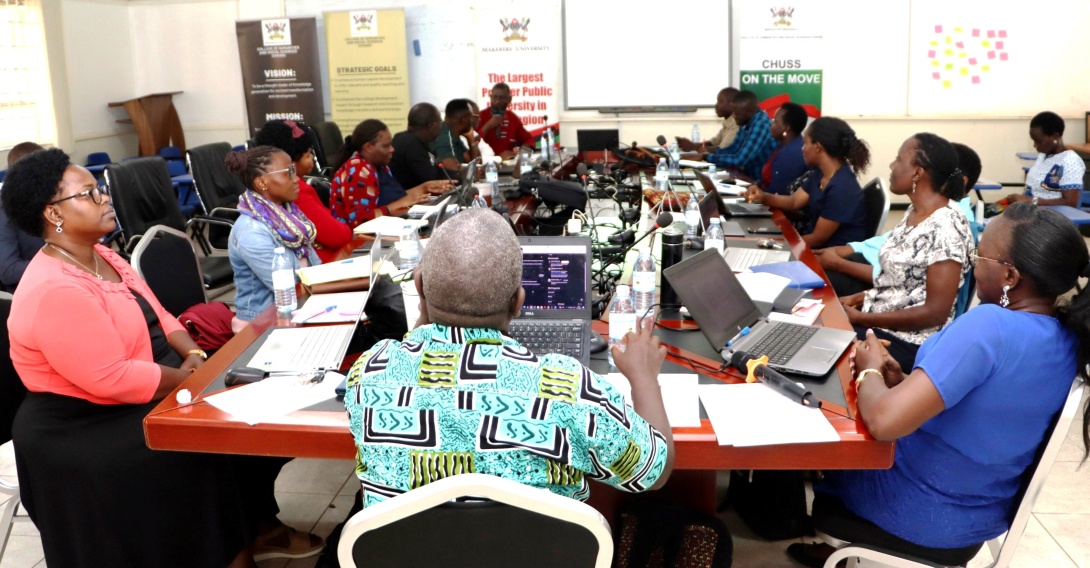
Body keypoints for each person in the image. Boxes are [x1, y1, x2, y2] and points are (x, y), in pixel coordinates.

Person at [1, 148, 320, 567]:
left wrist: (193, 352)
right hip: (82, 423)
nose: (105, 200)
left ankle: (254, 529)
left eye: (100, 191)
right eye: (90, 194)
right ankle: (229, 548)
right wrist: (193, 377)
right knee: (208, 446)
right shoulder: (55, 288)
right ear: (52, 214)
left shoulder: (102, 256)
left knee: (251, 417)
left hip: (145, 382)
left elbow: (161, 311)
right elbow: (111, 377)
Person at [787, 202, 1090, 568]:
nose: (972, 264)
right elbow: (987, 408)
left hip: (917, 511)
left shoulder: (988, 326)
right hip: (975, 515)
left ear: (1010, 277)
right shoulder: (1067, 337)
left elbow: (883, 424)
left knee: (809, 422)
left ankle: (779, 519)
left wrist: (868, 369)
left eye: (979, 256)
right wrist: (903, 384)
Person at [344, 208, 674, 508]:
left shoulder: (371, 371)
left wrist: (426, 306)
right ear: (518, 302)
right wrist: (644, 377)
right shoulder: (569, 389)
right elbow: (655, 473)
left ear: (419, 286)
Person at [828, 134, 973, 370]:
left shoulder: (946, 227)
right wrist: (859, 298)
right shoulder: (915, 211)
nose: (892, 165)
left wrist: (862, 318)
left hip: (910, 341)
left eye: (898, 159)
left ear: (917, 173)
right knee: (818, 317)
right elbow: (903, 284)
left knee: (821, 334)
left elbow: (935, 313)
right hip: (881, 319)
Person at [816, 142, 981, 297]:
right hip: (867, 266)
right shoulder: (928, 205)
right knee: (806, 270)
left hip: (875, 282)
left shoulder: (954, 223)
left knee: (812, 285)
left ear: (962, 181)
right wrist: (849, 249)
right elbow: (889, 240)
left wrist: (839, 264)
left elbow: (902, 280)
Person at [226, 146, 319, 331]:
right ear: (261, 183)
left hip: (300, 307)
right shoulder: (251, 232)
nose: (297, 179)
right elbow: (290, 287)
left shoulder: (290, 217)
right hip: (263, 324)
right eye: (288, 173)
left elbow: (316, 268)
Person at [745, 117, 870, 248]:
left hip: (828, 256)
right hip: (815, 247)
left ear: (817, 147)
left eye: (805, 143)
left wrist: (779, 246)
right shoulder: (821, 173)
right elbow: (794, 202)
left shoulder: (842, 187)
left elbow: (818, 239)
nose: (802, 149)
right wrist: (763, 196)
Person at [254, 120, 352, 264]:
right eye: (308, 155)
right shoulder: (296, 191)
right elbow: (339, 236)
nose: (312, 158)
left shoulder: (265, 190)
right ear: (288, 163)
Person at [330, 119, 452, 228]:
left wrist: (424, 188)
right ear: (368, 147)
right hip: (356, 242)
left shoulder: (380, 166)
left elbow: (394, 198)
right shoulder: (358, 171)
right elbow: (360, 220)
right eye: (386, 146)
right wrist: (396, 205)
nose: (392, 149)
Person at [1005, 111, 1084, 208]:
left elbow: (1070, 203)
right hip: (1033, 213)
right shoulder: (1043, 156)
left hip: (1053, 218)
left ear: (1055, 136)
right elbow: (1035, 190)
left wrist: (1031, 201)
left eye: (1039, 141)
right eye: (1033, 141)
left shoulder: (1070, 161)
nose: (1035, 145)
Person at [695, 90, 777, 180]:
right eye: (734, 112)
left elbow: (739, 160)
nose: (734, 116)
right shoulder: (745, 120)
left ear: (751, 111)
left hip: (761, 182)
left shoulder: (761, 124)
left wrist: (706, 157)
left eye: (737, 113)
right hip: (747, 177)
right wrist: (710, 152)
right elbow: (733, 148)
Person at [0, 141, 46, 292]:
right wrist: (60, 263)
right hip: (29, 292)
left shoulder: (47, 199)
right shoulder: (4, 211)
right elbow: (9, 271)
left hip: (61, 281)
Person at [390, 102, 446, 189]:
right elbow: (433, 181)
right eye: (440, 122)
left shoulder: (405, 138)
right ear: (431, 125)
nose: (441, 126)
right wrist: (459, 178)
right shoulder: (412, 145)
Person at [760, 102, 809, 196]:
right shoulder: (782, 145)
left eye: (775, 121)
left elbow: (777, 193)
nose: (771, 124)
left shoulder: (792, 154)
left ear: (786, 128)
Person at [477, 82, 536, 159]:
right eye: (495, 97)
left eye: (501, 98)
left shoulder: (512, 118)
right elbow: (472, 142)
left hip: (509, 164)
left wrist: (523, 150)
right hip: (486, 164)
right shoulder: (480, 117)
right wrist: (488, 126)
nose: (497, 101)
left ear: (509, 99)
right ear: (490, 97)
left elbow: (528, 139)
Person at [676, 87, 739, 151]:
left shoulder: (736, 124)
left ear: (732, 104)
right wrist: (692, 145)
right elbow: (712, 143)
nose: (716, 106)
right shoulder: (727, 123)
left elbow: (723, 150)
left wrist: (694, 147)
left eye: (720, 102)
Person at [430, 99, 478, 174]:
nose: (473, 121)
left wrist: (471, 140)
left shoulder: (454, 134)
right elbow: (454, 170)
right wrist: (478, 170)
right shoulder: (444, 137)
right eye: (471, 118)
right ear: (464, 121)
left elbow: (471, 162)